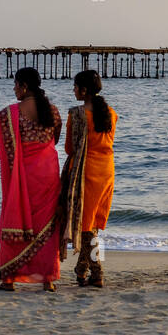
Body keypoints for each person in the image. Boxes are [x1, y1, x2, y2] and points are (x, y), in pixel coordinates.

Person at [0, 67, 63, 292]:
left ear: (23, 86)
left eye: (15, 85)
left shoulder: (8, 114)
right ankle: (47, 279)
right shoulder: (53, 111)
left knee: (15, 221)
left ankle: (9, 279)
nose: (14, 89)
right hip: (48, 175)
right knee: (48, 228)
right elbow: (55, 139)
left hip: (23, 177)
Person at [63, 70, 117, 288]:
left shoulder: (76, 115)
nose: (73, 90)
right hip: (107, 171)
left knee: (87, 227)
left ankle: (97, 273)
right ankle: (82, 270)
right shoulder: (111, 113)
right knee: (92, 225)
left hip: (86, 172)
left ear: (84, 90)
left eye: (75, 86)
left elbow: (69, 149)